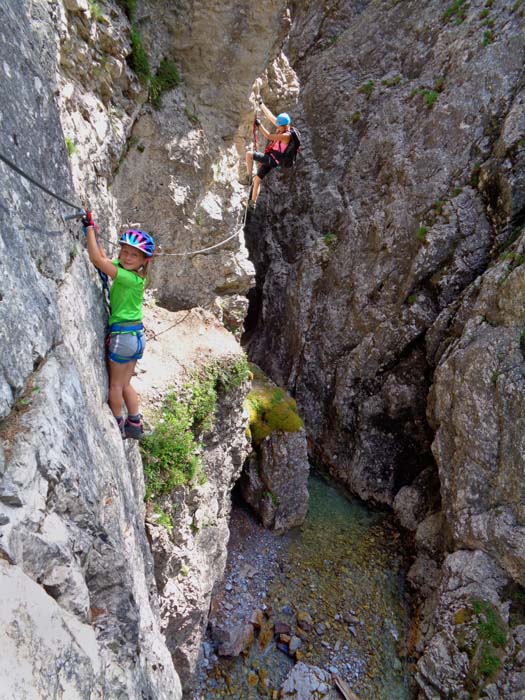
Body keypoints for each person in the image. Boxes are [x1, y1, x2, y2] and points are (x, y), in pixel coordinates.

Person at [83, 211, 155, 439]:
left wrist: (88, 231)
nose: (126, 257)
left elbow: (96, 260)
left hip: (123, 337)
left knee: (115, 386)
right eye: (124, 251)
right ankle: (135, 422)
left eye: (134, 255)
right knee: (125, 384)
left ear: (144, 261)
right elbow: (104, 258)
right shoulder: (132, 274)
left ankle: (117, 425)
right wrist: (94, 229)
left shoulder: (127, 278)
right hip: (135, 336)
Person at [244, 100, 292, 209]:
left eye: (279, 126)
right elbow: (270, 116)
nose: (277, 126)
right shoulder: (283, 126)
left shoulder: (286, 136)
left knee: (249, 154)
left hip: (272, 159)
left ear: (284, 126)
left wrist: (259, 125)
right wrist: (261, 104)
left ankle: (248, 178)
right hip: (273, 159)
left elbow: (269, 136)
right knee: (257, 179)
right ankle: (253, 202)